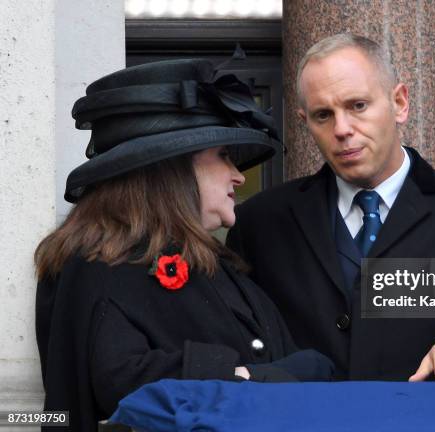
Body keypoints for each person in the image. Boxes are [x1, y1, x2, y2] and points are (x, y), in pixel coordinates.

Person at [35, 58, 334, 431]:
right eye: (224, 156)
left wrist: (253, 376)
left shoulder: (221, 267)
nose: (239, 176)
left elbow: (309, 367)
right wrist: (240, 374)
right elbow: (119, 386)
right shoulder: (96, 265)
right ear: (173, 169)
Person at [227, 34, 435, 382]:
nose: (342, 129)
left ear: (400, 102)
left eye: (357, 105)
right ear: (304, 121)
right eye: (323, 115)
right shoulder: (260, 223)